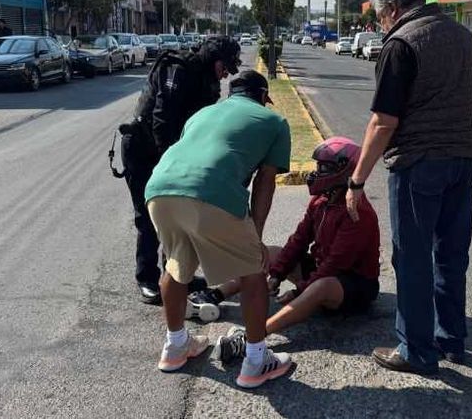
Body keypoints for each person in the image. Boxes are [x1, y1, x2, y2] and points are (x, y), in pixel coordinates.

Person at [346, 0, 472, 375]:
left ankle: (417, 351)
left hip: (419, 163)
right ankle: (451, 340)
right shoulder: (462, 35)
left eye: (380, 16)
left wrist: (356, 180)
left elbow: (383, 123)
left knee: (412, 259)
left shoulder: (401, 43)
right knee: (451, 255)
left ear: (392, 9)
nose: (380, 24)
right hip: (463, 158)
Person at [146, 70, 292, 389]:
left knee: (175, 266)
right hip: (210, 191)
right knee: (253, 271)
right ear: (262, 97)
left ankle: (175, 346)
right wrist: (255, 236)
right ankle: (256, 361)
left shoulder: (202, 114)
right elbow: (265, 182)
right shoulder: (275, 121)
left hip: (159, 190)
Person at [195, 137, 380, 365]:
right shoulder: (320, 201)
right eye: (318, 166)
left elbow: (336, 264)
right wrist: (277, 275)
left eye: (324, 168)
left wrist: (297, 291)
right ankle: (214, 295)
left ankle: (253, 337)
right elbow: (299, 240)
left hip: (354, 284)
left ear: (345, 171)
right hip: (323, 270)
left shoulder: (357, 213)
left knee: (321, 285)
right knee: (271, 253)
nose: (316, 173)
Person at [124, 36, 242, 305]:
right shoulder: (178, 69)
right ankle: (147, 279)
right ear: (214, 59)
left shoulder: (207, 80)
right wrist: (171, 162)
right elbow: (161, 119)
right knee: (149, 216)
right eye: (225, 67)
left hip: (172, 151)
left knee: (178, 217)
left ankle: (176, 276)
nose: (226, 74)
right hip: (144, 150)